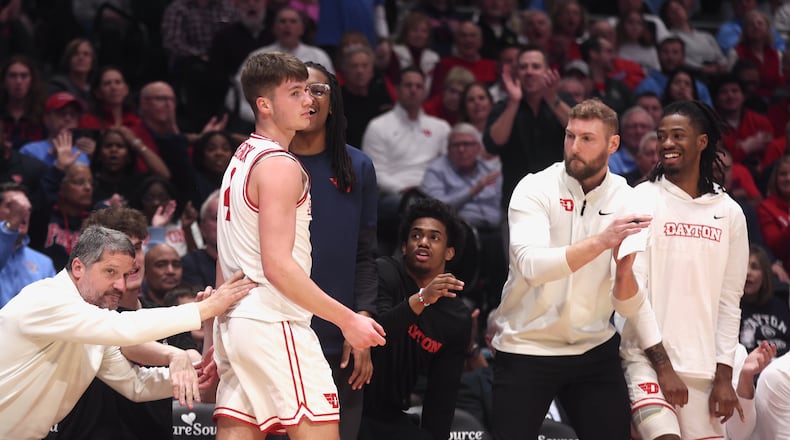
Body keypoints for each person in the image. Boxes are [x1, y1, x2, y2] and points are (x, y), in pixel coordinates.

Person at [212, 51, 386, 439]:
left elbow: (226, 261)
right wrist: (349, 319)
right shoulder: (279, 165)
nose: (309, 101)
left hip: (238, 324)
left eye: (310, 92)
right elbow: (278, 266)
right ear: (265, 104)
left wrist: (214, 333)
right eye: (296, 93)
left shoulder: (241, 158)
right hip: (275, 322)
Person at [491, 98, 658, 440]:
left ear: (613, 144)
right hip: (527, 345)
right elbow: (533, 266)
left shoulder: (629, 200)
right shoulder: (534, 188)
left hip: (593, 348)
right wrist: (602, 241)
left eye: (587, 139)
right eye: (570, 136)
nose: (574, 148)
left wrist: (624, 275)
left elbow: (626, 305)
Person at [0, 225, 255, 440]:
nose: (120, 286)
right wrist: (204, 308)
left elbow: (135, 384)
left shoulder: (91, 323)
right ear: (78, 268)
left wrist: (197, 375)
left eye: (125, 275)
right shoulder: (48, 299)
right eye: (110, 272)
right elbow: (124, 328)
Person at [620, 100, 749, 439]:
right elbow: (634, 290)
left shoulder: (730, 212)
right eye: (662, 136)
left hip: (704, 371)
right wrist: (662, 366)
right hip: (645, 361)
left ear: (702, 142)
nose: (667, 143)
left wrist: (724, 376)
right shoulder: (642, 198)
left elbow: (729, 300)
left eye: (678, 135)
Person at [290, 61, 379, 440]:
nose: (308, 99)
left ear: (333, 102)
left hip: (339, 341)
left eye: (318, 90)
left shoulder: (358, 166)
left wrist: (359, 324)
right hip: (279, 337)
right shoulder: (267, 162)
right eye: (297, 91)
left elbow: (364, 257)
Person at [359, 197, 471, 440]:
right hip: (352, 404)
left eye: (434, 237)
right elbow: (377, 334)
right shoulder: (384, 273)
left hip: (391, 415)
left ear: (449, 252)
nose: (423, 242)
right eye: (416, 235)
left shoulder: (455, 316)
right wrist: (422, 299)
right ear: (403, 246)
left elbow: (442, 394)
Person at [483, 44, 568, 209]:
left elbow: (580, 131)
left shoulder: (562, 102)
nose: (529, 72)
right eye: (523, 67)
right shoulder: (503, 107)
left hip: (559, 199)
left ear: (547, 71)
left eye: (536, 67)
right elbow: (493, 144)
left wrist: (552, 99)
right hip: (516, 199)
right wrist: (514, 102)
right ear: (517, 73)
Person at [0, 182, 55, 307]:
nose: (22, 213)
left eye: (27, 209)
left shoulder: (44, 263)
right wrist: (9, 227)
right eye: (13, 207)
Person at [740, 244, 790, 357]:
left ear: (765, 274)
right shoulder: (733, 309)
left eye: (754, 267)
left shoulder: (781, 306)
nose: (748, 272)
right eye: (743, 267)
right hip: (751, 368)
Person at [182, 190, 220, 288]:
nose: (222, 224)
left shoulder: (248, 260)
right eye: (216, 218)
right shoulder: (189, 264)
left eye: (227, 217)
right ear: (202, 227)